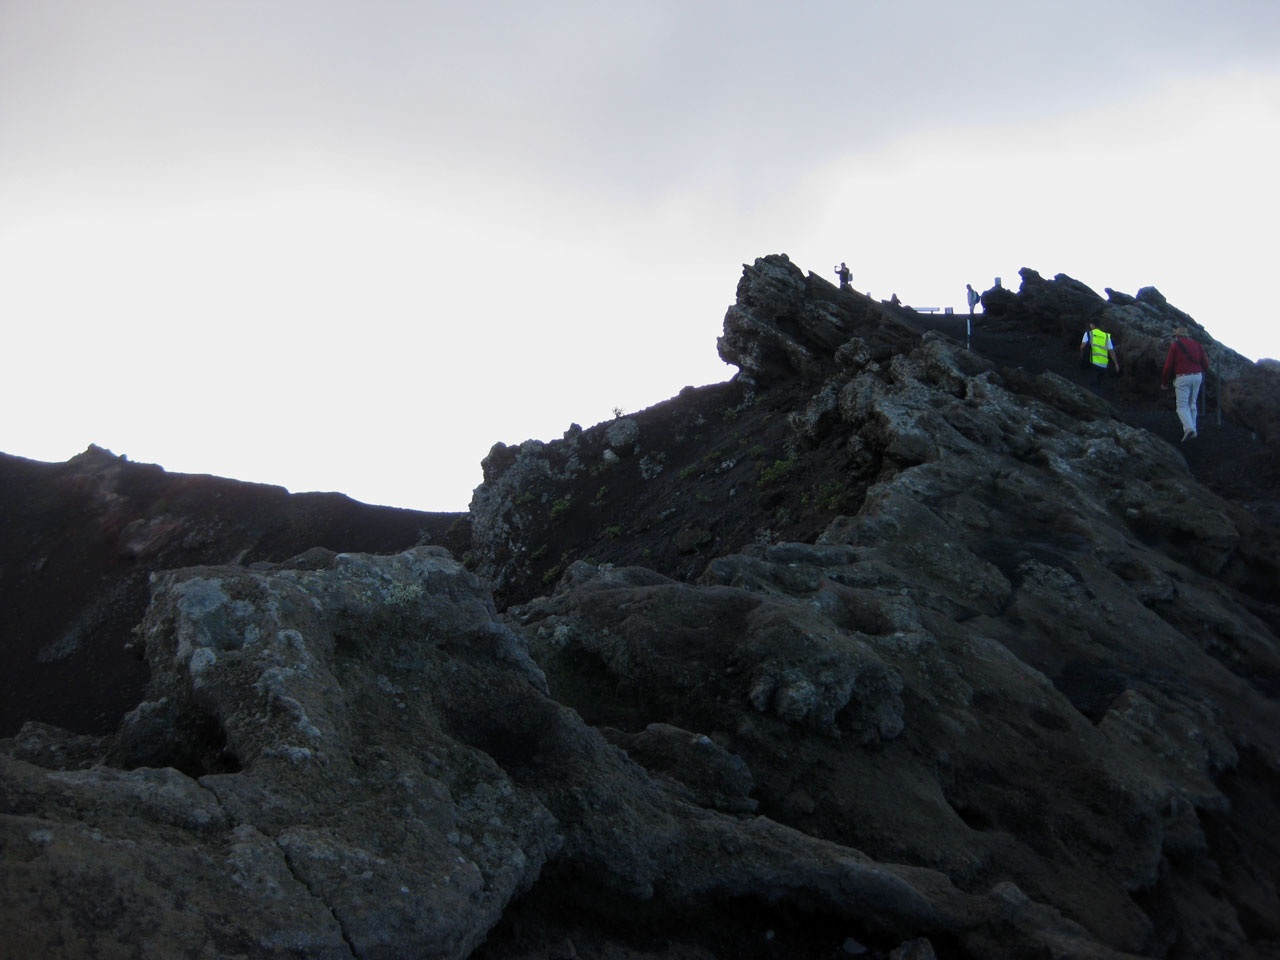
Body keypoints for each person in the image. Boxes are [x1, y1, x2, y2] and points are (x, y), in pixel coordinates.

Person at [1161, 326, 1210, 441]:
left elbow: (1168, 366)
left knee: (1182, 406)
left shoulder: (1175, 346)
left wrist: (1164, 381)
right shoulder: (1198, 345)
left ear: (1177, 337)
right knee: (1192, 403)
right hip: (1197, 376)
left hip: (1183, 377)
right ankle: (1194, 430)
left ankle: (1188, 428)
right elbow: (1206, 365)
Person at [1080, 320, 1120, 392]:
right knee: (1097, 384)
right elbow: (1111, 351)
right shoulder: (1106, 336)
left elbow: (1082, 347)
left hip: (1092, 362)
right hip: (1103, 364)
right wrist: (1116, 364)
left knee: (1092, 385)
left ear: (1092, 325)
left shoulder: (1089, 334)